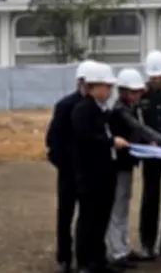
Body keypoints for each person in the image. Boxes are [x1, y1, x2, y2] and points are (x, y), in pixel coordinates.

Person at [105, 68, 161, 269]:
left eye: (139, 91)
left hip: (126, 164)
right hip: (117, 165)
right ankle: (116, 252)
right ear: (123, 91)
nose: (138, 94)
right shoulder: (120, 109)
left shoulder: (129, 106)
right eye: (134, 91)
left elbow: (137, 133)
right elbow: (138, 128)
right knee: (117, 207)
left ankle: (122, 248)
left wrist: (149, 142)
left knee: (123, 205)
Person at [71, 62, 130, 273]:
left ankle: (99, 260)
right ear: (93, 87)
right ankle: (85, 262)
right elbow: (85, 138)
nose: (110, 91)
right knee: (89, 219)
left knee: (101, 219)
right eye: (107, 86)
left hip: (105, 173)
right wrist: (111, 142)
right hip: (90, 175)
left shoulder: (100, 109)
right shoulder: (83, 110)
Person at [45, 59, 97, 273]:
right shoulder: (65, 105)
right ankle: (64, 258)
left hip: (89, 171)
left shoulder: (97, 106)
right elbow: (52, 141)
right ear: (80, 82)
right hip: (69, 171)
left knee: (88, 215)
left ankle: (86, 257)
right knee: (65, 214)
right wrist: (65, 164)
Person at [134, 50, 161, 261]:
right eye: (153, 78)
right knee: (150, 197)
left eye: (159, 77)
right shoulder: (141, 93)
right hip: (150, 152)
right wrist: (145, 141)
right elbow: (135, 122)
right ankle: (147, 244)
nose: (156, 81)